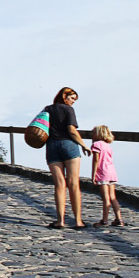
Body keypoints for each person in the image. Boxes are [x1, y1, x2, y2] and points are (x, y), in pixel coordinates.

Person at [44, 86, 92, 229]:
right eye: (72, 98)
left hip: (52, 145)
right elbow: (72, 130)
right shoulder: (68, 110)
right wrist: (84, 145)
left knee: (59, 185)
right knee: (73, 184)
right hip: (68, 145)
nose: (73, 102)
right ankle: (78, 221)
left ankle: (60, 221)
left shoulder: (47, 109)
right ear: (65, 96)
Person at [90, 125, 125, 227]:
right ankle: (119, 219)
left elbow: (96, 160)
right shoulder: (107, 145)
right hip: (111, 172)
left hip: (102, 172)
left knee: (106, 198)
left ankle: (104, 220)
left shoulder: (96, 145)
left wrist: (93, 175)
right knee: (113, 197)